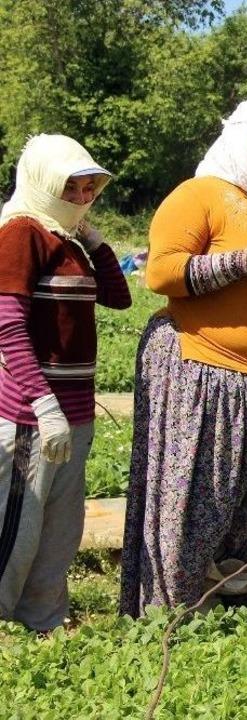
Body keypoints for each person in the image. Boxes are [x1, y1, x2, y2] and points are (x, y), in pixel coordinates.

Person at [119, 98, 247, 616]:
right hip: (208, 374)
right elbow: (163, 274)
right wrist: (244, 262)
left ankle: (245, 624)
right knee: (196, 510)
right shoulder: (200, 195)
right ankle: (171, 621)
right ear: (241, 141)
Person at [0, 134, 131, 631]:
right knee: (18, 526)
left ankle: (43, 622)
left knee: (59, 532)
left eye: (89, 187)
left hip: (75, 413)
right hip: (32, 414)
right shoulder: (21, 232)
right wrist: (42, 403)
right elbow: (7, 325)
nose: (81, 198)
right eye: (71, 187)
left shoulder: (67, 239)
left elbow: (118, 298)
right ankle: (3, 623)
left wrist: (96, 242)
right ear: (43, 183)